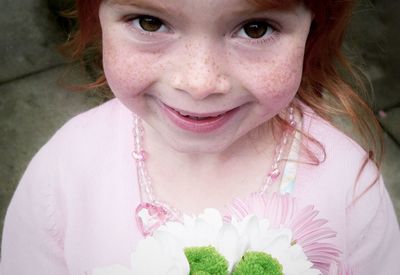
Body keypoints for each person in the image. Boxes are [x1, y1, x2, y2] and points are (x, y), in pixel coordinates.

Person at [1, 0, 399, 274]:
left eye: (255, 28)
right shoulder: (66, 170)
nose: (199, 82)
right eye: (150, 22)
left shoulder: (348, 186)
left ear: (315, 26)